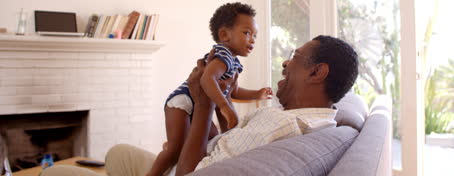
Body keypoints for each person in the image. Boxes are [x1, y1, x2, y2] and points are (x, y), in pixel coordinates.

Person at [40, 35, 357, 176]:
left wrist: (203, 106)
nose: (285, 64)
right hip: (190, 159)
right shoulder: (316, 122)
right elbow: (220, 146)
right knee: (118, 153)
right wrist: (209, 116)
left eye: (295, 57)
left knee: (57, 173)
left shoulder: (281, 126)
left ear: (318, 72)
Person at [148, 2, 272, 176]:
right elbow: (207, 79)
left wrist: (256, 94)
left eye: (255, 35)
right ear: (224, 34)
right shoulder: (222, 55)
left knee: (210, 140)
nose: (252, 39)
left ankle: (176, 147)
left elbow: (233, 91)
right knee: (174, 149)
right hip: (182, 101)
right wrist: (224, 106)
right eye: (247, 33)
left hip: (198, 104)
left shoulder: (233, 62)